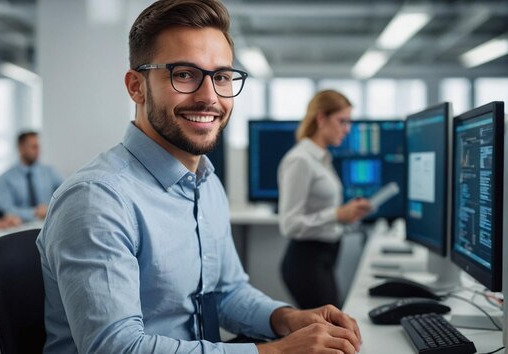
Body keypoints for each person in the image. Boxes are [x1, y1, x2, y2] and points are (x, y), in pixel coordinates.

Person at [37, 1, 362, 353]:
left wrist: (286, 319)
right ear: (137, 87)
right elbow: (117, 349)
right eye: (184, 74)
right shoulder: (97, 198)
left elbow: (226, 292)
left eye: (221, 76)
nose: (209, 97)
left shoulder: (205, 183)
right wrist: (277, 351)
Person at [277, 90, 373, 310]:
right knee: (331, 329)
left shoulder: (322, 157)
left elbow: (321, 209)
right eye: (342, 121)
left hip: (324, 257)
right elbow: (289, 224)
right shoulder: (300, 160)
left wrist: (347, 213)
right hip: (306, 262)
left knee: (330, 327)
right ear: (321, 118)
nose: (347, 129)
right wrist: (337, 214)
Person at [0, 131, 63, 222]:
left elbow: (65, 194)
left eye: (38, 146)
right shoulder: (5, 179)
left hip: (49, 223)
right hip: (19, 227)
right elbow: (5, 209)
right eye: (33, 147)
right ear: (21, 148)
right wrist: (34, 212)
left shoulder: (50, 172)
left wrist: (50, 208)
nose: (38, 151)